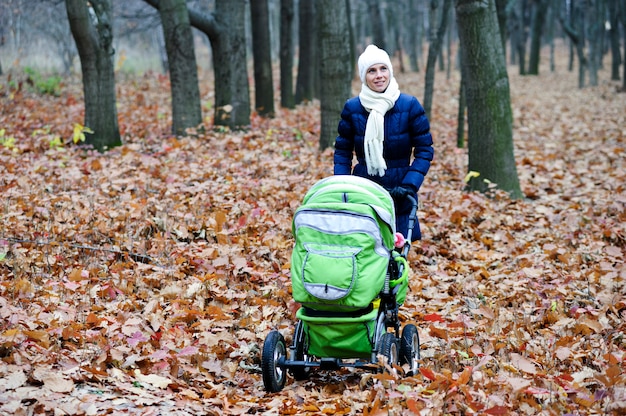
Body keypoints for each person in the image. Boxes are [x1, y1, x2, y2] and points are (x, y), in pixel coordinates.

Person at [334, 44, 434, 241]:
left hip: (400, 190)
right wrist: (343, 184)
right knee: (365, 251)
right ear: (364, 76)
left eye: (383, 69)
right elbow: (342, 151)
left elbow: (425, 150)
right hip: (364, 190)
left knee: (398, 254)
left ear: (390, 71)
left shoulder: (409, 105)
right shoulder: (353, 108)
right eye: (372, 71)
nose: (379, 75)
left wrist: (409, 185)